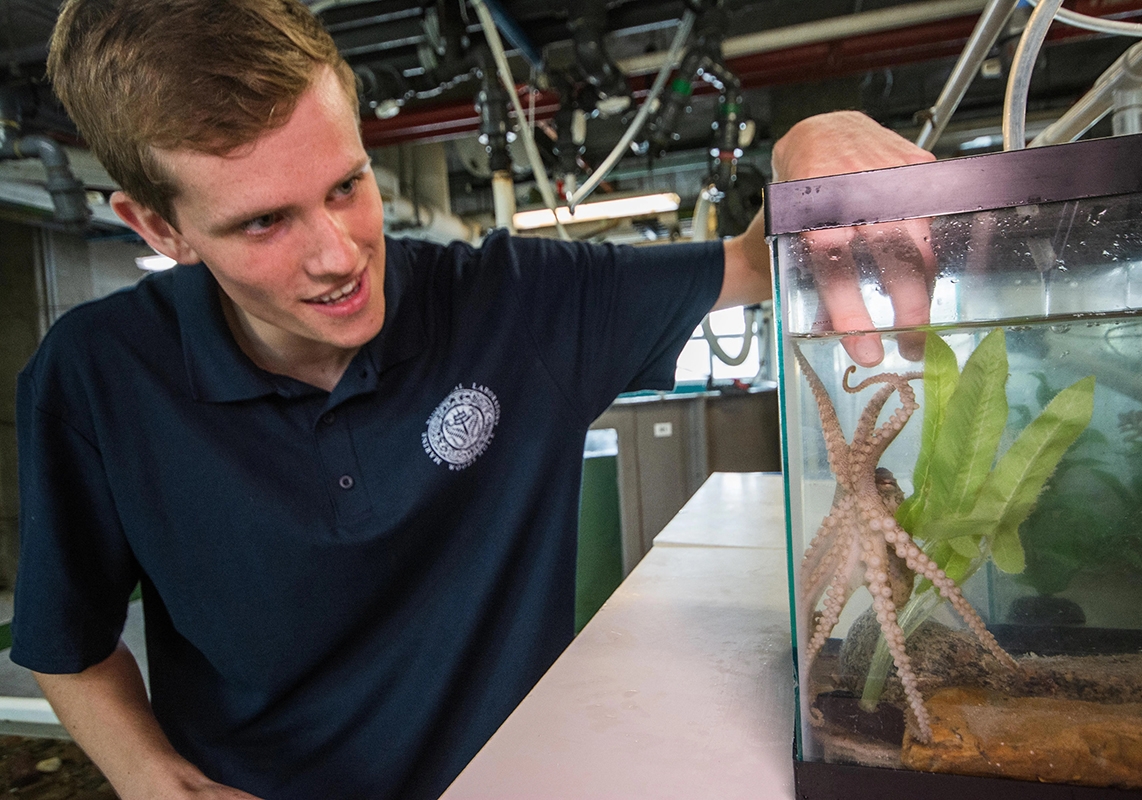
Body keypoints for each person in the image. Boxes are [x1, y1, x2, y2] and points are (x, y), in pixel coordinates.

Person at [10, 1, 935, 797]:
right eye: (263, 221)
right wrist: (150, 780)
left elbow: (749, 261)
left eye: (348, 184)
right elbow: (70, 642)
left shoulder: (516, 304)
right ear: (157, 226)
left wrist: (813, 150)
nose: (337, 255)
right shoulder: (96, 375)